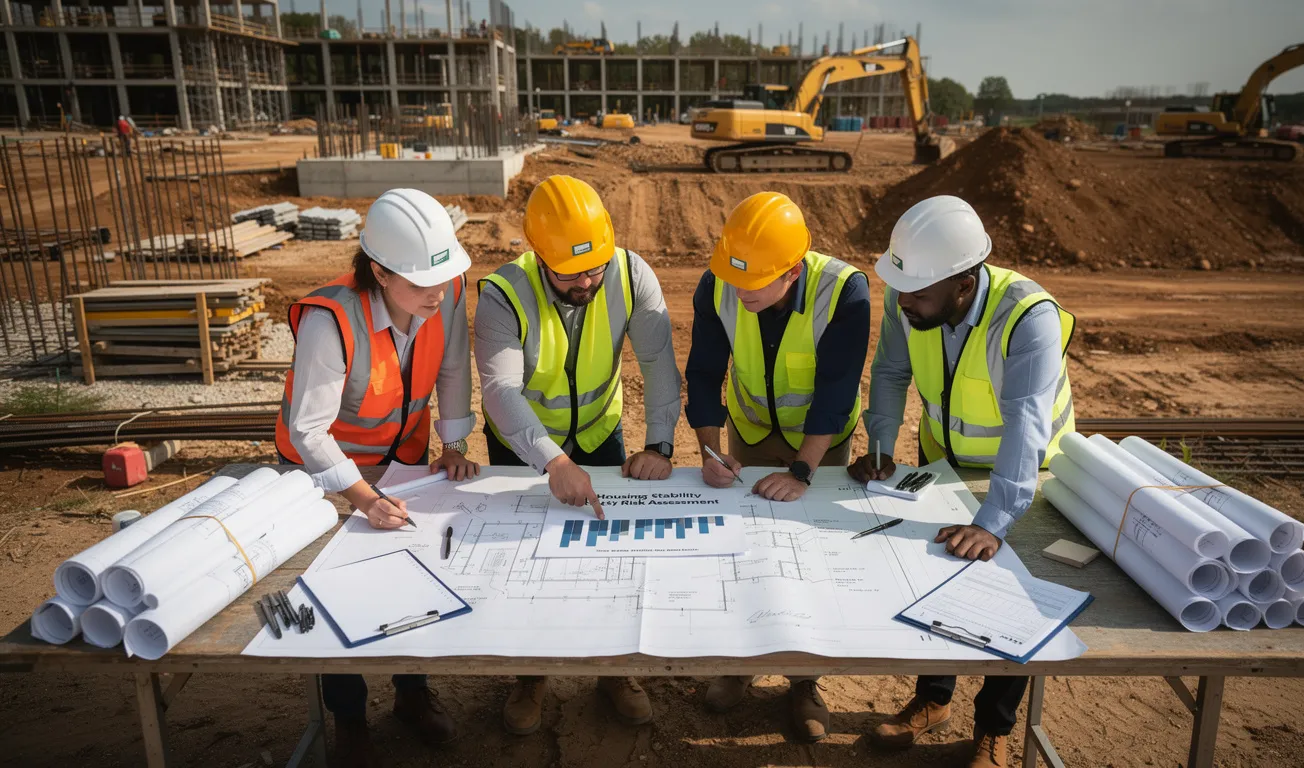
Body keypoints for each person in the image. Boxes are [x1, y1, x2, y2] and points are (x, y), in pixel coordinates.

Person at [851, 195, 1075, 768]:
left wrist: (995, 521)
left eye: (919, 292)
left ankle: (993, 730)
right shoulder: (912, 300)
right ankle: (932, 700)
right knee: (932, 578)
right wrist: (880, 451)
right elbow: (891, 372)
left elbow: (1027, 421)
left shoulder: (1029, 317)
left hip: (1024, 476)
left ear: (965, 282)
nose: (904, 302)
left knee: (1009, 599)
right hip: (944, 462)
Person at [275, 188, 478, 768]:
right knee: (338, 590)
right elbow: (309, 430)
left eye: (442, 279)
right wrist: (361, 498)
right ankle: (349, 720)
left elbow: (452, 364)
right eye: (420, 285)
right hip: (323, 475)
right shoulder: (330, 319)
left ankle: (412, 696)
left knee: (413, 576)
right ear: (381, 273)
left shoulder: (446, 289)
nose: (437, 294)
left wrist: (455, 443)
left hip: (401, 462)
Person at [474, 174, 681, 735]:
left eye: (597, 267)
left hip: (599, 433)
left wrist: (661, 444)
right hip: (522, 443)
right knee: (525, 559)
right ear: (540, 256)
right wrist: (551, 461)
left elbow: (659, 363)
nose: (589, 280)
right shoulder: (502, 293)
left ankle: (612, 669)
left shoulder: (630, 273)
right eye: (573, 273)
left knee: (607, 555)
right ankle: (531, 673)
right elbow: (500, 391)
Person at [684, 191, 870, 741]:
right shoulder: (719, 282)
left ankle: (803, 682)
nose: (739, 291)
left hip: (821, 441)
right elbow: (703, 371)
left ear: (792, 272)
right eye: (734, 278)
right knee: (741, 550)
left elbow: (836, 391)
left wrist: (804, 472)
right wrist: (712, 451)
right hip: (751, 428)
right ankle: (741, 663)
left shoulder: (844, 292)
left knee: (805, 558)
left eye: (755, 282)